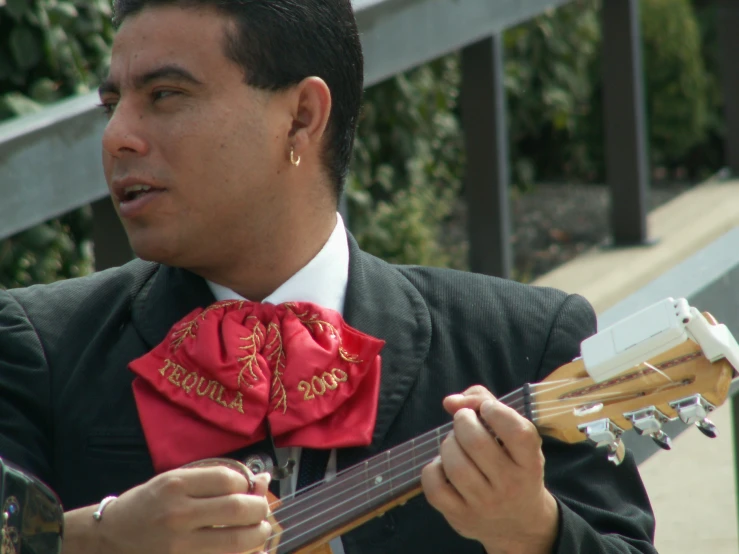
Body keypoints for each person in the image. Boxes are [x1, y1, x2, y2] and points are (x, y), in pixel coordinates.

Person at [0, 1, 657, 553]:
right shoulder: (40, 346)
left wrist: (533, 530)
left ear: (302, 116)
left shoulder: (524, 341)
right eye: (112, 102)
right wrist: (96, 538)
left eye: (165, 95)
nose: (117, 135)